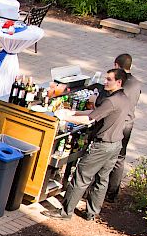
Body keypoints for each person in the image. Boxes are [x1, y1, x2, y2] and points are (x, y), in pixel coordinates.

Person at [46, 68, 131, 225]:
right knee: (102, 179)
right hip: (115, 145)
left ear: (118, 82)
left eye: (109, 79)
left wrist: (65, 117)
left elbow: (89, 119)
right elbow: (96, 112)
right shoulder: (124, 98)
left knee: (81, 176)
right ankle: (92, 213)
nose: (105, 82)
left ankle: (65, 212)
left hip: (102, 146)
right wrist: (73, 113)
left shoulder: (111, 101)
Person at [104, 53, 142, 203]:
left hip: (118, 123)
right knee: (120, 158)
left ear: (116, 65)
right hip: (129, 123)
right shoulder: (137, 83)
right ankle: (113, 192)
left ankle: (103, 190)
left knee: (109, 157)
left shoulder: (121, 83)